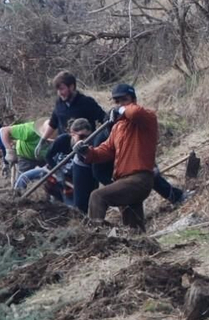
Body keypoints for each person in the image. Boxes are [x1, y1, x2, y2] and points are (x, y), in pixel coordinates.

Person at [79, 83, 158, 229]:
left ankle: (96, 238)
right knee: (133, 229)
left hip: (139, 179)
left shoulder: (147, 118)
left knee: (97, 196)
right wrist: (87, 152)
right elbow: (105, 151)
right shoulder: (117, 127)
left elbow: (135, 113)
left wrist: (122, 109)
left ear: (133, 99)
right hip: (125, 181)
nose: (119, 105)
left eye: (124, 100)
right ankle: (141, 247)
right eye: (116, 102)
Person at [49, 70, 114, 190]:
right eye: (58, 90)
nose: (60, 93)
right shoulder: (59, 104)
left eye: (62, 89)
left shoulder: (86, 102)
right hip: (67, 153)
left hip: (85, 151)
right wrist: (42, 140)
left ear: (72, 86)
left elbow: (104, 119)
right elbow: (53, 122)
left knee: (90, 183)